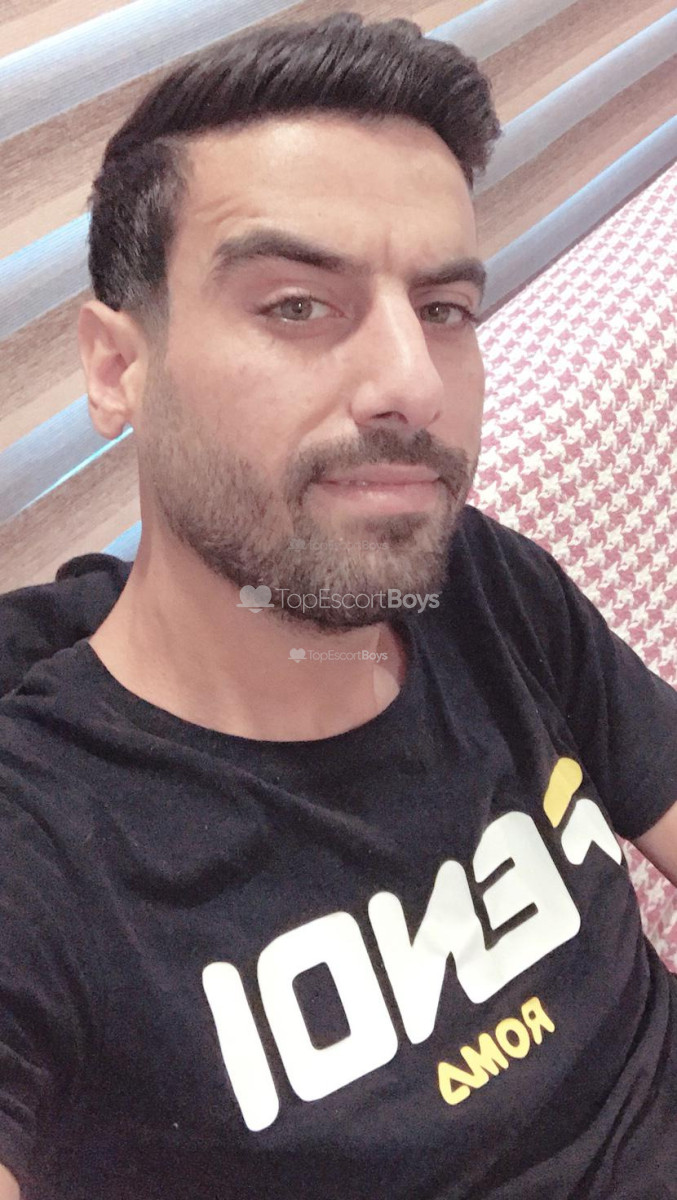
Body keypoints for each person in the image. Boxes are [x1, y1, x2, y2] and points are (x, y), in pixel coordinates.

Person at [0, 10, 675, 1199]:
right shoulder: (45, 842)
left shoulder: (478, 582)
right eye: (297, 306)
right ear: (118, 367)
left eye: (443, 309)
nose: (412, 384)